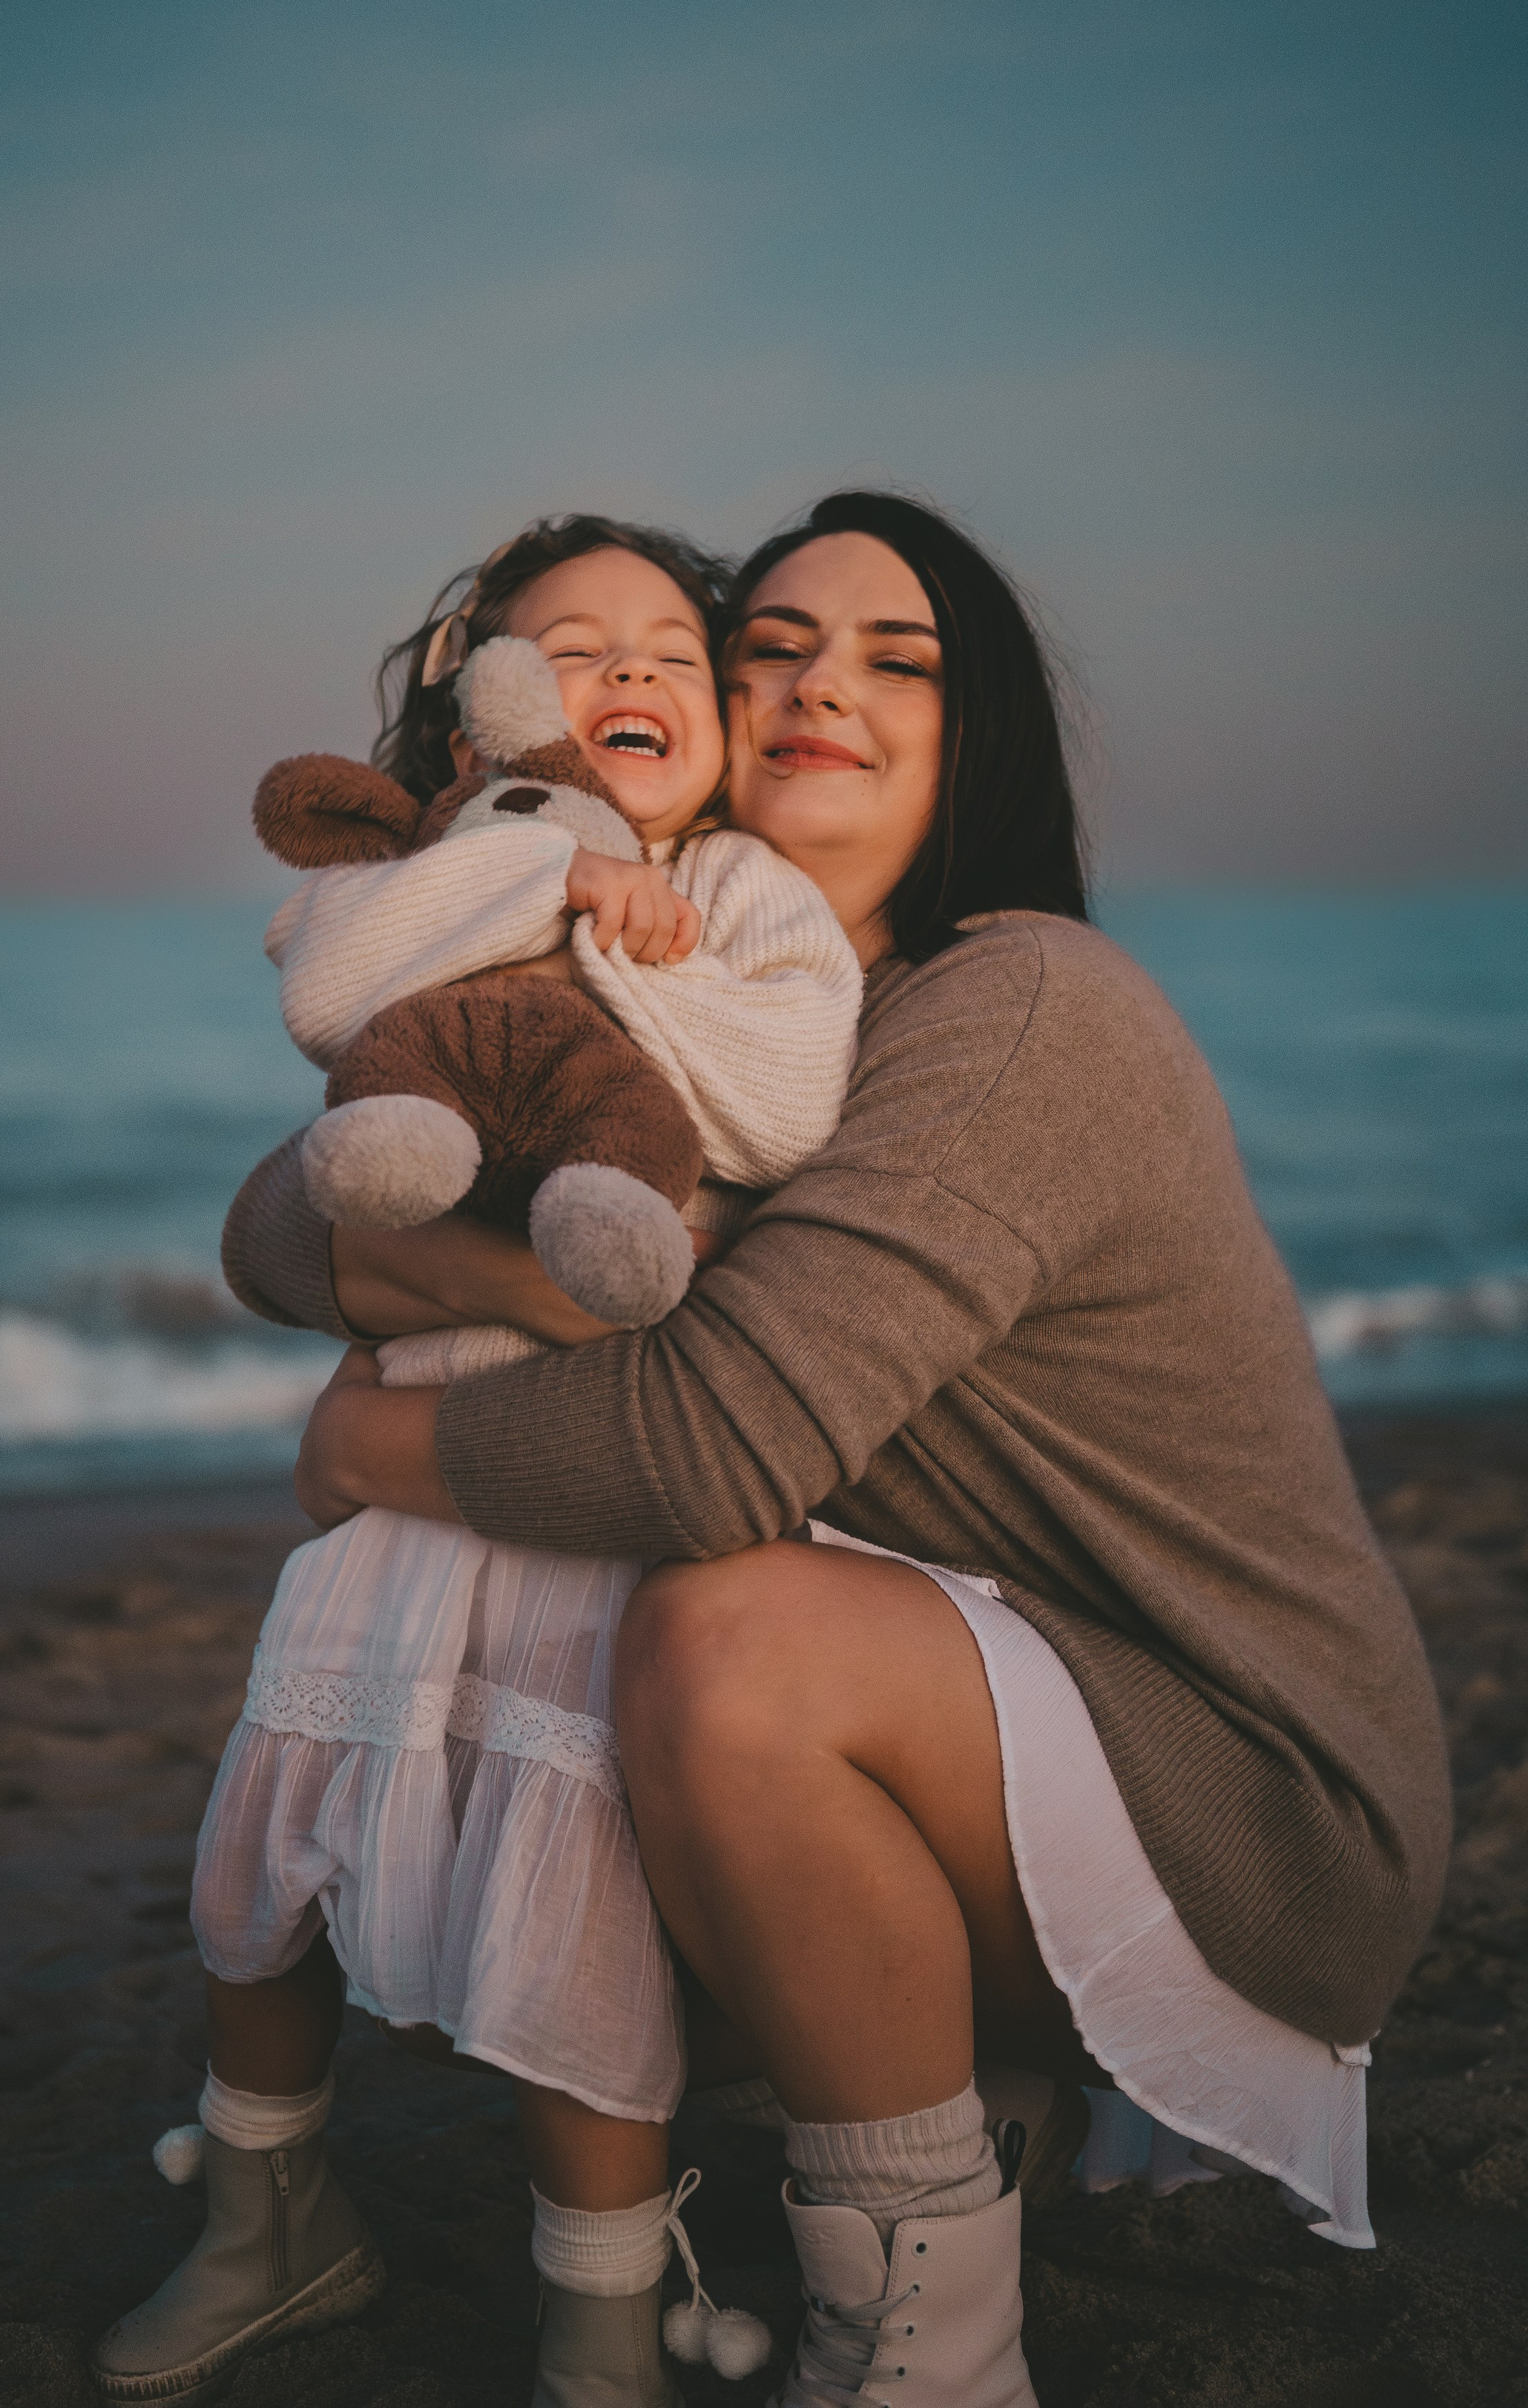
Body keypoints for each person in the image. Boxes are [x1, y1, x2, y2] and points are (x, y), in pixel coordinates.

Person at [244, 492, 1453, 2408]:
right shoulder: (714, 1006)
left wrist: (369, 1442)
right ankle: (979, 2100)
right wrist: (461, 1257)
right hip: (996, 1700)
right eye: (776, 649)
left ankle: (937, 2360)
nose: (822, 688)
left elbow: (713, 1448)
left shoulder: (1017, 1008)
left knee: (721, 1638)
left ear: (980, 748)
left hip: (1244, 1783)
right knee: (525, 1778)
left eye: (902, 663)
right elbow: (282, 1223)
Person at [90, 516, 862, 2407]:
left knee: (564, 1876)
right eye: (568, 651)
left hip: (595, 1468)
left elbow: (774, 1101)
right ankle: (271, 2221)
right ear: (483, 710)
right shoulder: (445, 867)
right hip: (420, 1433)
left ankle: (599, 2323)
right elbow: (334, 1001)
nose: (624, 680)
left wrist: (640, 944)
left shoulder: (751, 892)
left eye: (669, 655)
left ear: (722, 714)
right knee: (263, 1837)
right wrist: (538, 853)